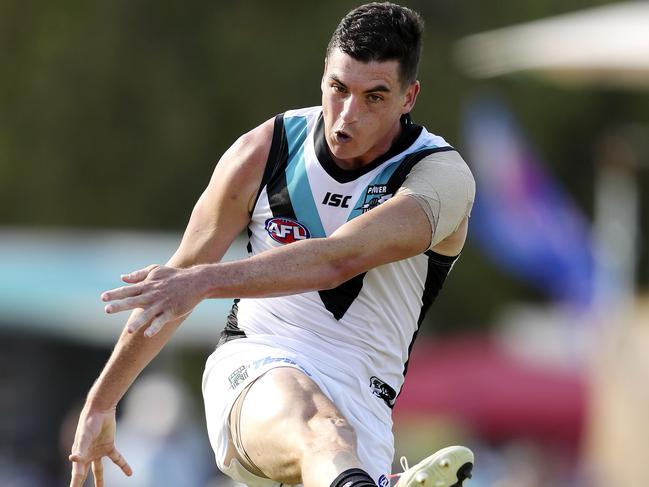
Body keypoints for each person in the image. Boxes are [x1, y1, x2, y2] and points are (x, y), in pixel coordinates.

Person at [68, 2, 476, 487]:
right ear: (324, 75)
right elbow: (173, 286)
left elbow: (340, 258)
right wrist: (101, 403)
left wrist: (201, 283)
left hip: (362, 411)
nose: (347, 114)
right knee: (316, 425)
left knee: (333, 441)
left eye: (375, 97)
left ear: (409, 97)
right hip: (255, 366)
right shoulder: (265, 151)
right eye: (339, 88)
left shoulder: (439, 179)